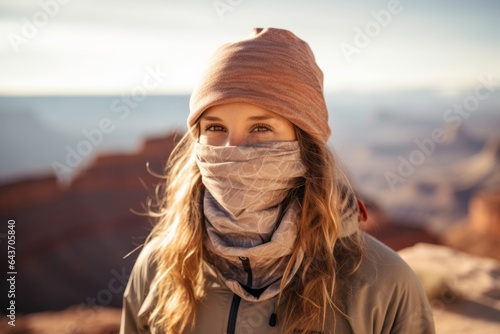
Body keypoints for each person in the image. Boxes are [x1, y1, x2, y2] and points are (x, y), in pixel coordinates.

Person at [120, 27, 435, 334]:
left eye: (260, 128)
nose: (233, 149)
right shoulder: (159, 269)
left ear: (304, 144)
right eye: (215, 127)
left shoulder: (383, 284)